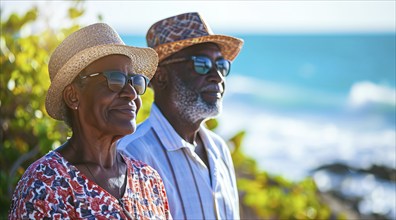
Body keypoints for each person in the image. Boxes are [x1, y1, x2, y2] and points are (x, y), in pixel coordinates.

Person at [9, 23, 171, 219]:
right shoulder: (45, 183)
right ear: (73, 96)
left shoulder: (148, 179)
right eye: (115, 80)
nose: (131, 93)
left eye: (135, 81)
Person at [118, 12, 244, 219]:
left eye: (221, 65)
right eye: (202, 64)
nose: (218, 76)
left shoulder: (220, 149)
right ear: (160, 77)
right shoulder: (131, 154)